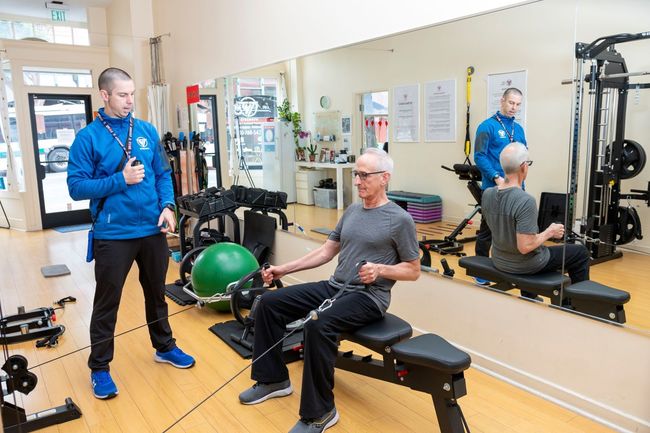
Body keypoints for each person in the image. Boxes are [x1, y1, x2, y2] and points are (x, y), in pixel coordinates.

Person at [238, 148, 420, 433]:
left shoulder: (399, 219)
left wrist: (381, 270)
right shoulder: (352, 211)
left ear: (385, 178)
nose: (358, 181)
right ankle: (273, 379)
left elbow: (413, 269)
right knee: (270, 303)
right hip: (335, 287)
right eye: (356, 174)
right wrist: (283, 269)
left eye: (364, 175)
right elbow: (326, 251)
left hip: (368, 297)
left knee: (318, 324)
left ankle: (320, 413)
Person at [67, 67, 195, 400]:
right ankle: (99, 367)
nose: (130, 101)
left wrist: (168, 206)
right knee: (107, 302)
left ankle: (164, 347)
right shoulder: (88, 138)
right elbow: (76, 187)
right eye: (122, 95)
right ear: (105, 95)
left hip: (151, 229)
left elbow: (163, 174)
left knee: (157, 293)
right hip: (113, 233)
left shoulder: (147, 130)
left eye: (132, 94)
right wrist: (120, 179)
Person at [480, 142, 590, 292]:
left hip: (499, 260)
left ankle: (530, 295)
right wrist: (550, 232)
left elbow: (500, 228)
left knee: (546, 249)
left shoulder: (487, 194)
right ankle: (575, 304)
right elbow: (525, 247)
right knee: (580, 253)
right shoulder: (525, 200)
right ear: (524, 166)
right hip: (525, 264)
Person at [474, 88, 526, 262]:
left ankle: (514, 265)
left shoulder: (518, 129)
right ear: (502, 100)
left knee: (517, 229)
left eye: (518, 104)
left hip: (517, 187)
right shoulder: (487, 126)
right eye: (511, 102)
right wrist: (496, 177)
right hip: (495, 187)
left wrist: (521, 180)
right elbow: (479, 156)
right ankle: (480, 268)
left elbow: (523, 155)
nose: (514, 107)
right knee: (488, 230)